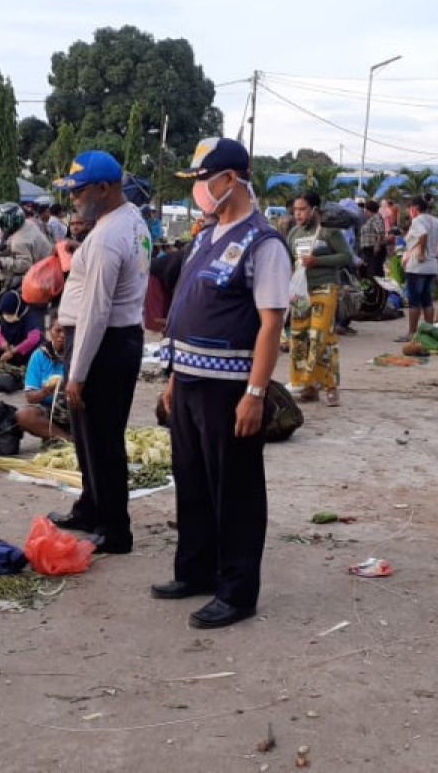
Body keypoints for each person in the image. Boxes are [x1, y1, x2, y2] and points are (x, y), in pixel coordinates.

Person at [154, 137, 290, 629]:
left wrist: (255, 393)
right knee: (191, 481)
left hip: (229, 386)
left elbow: (271, 324)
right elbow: (185, 307)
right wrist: (172, 377)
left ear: (229, 180)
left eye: (202, 180)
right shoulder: (207, 235)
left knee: (235, 489)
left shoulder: (263, 242)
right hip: (188, 378)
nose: (199, 191)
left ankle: (236, 591)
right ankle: (195, 570)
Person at [45, 150, 149, 555]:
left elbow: (96, 311)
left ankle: (114, 527)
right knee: (88, 436)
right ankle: (91, 507)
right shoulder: (127, 220)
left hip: (104, 344)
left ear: (104, 189)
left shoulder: (107, 237)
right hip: (113, 340)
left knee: (102, 439)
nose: (73, 198)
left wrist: (78, 372)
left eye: (79, 191)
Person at [287, 190, 351, 408]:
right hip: (300, 292)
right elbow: (288, 261)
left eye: (302, 209)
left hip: (325, 287)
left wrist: (317, 261)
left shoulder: (328, 232)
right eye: (295, 210)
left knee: (321, 336)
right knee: (299, 336)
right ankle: (308, 387)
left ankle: (330, 386)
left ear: (314, 209)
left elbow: (346, 257)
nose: (298, 214)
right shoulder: (293, 233)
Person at [399, 196, 438, 342]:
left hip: (417, 266)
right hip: (431, 266)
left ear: (415, 207)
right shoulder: (435, 220)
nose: (409, 211)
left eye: (409, 208)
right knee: (427, 299)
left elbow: (423, 235)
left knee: (414, 301)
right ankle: (429, 330)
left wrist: (421, 253)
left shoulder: (417, 221)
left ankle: (412, 333)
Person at [15, 318, 70, 442]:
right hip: (51, 414)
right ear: (50, 331)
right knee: (24, 415)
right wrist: (44, 392)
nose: (62, 335)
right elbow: (30, 396)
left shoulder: (78, 353)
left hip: (75, 410)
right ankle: (67, 439)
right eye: (58, 331)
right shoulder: (39, 356)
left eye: (67, 331)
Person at [0, 203, 52, 283]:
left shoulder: (19, 241)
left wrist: (2, 262)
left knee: (11, 286)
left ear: (10, 222)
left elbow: (26, 265)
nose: (2, 228)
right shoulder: (27, 224)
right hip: (49, 261)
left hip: (45, 273)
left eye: (3, 224)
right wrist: (1, 252)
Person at [0, 291, 42, 365]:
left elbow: (34, 339)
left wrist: (13, 351)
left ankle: (26, 364)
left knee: (36, 351)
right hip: (11, 347)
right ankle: (12, 362)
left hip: (25, 349)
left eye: (9, 313)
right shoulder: (6, 316)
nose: (6, 316)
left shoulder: (29, 316)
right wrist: (3, 343)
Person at [359, 199, 387, 278]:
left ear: (368, 209)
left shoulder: (376, 217)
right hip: (369, 249)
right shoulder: (371, 219)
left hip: (373, 249)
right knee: (371, 271)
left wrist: (377, 245)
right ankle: (374, 289)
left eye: (365, 209)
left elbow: (380, 231)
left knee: (374, 272)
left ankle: (377, 289)